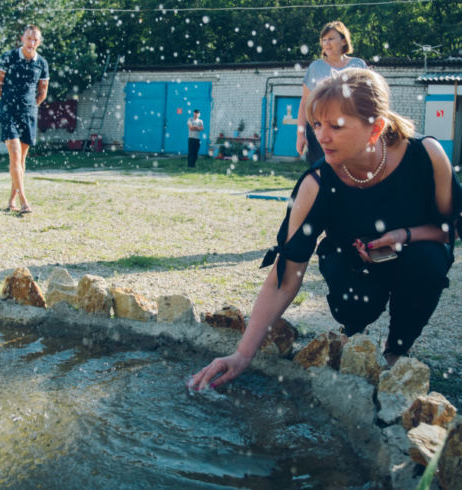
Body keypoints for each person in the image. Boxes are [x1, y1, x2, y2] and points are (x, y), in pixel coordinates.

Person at [189, 68, 462, 391]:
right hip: (353, 265)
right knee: (354, 304)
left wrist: (405, 236)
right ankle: (354, 329)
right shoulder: (315, 184)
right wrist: (241, 355)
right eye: (317, 124)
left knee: (427, 261)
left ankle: (395, 352)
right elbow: (286, 275)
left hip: (416, 253)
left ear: (374, 130)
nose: (322, 136)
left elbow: (451, 229)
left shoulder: (427, 157)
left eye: (336, 126)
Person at [0, 25, 49, 213]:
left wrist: (30, 107)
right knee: (15, 154)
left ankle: (11, 201)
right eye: (28, 38)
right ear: (22, 39)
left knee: (21, 160)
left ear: (39, 42)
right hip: (9, 112)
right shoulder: (8, 57)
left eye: (35, 40)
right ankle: (24, 201)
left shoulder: (42, 64)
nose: (31, 43)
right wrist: (7, 105)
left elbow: (42, 93)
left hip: (29, 114)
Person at [296, 21, 366, 165]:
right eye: (324, 40)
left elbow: (367, 100)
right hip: (321, 130)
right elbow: (305, 102)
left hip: (350, 130)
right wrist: (300, 134)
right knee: (322, 170)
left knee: (351, 170)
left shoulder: (358, 66)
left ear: (344, 40)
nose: (326, 43)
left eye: (331, 38)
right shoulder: (315, 68)